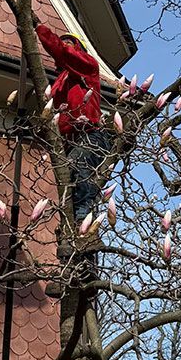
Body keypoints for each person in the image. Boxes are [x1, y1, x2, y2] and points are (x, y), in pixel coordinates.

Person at [35, 21, 106, 221]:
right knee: (71, 181)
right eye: (62, 42)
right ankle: (74, 218)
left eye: (70, 43)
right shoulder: (60, 82)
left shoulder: (88, 66)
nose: (64, 46)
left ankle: (83, 217)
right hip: (68, 140)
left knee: (79, 165)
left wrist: (42, 30)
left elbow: (65, 54)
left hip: (89, 134)